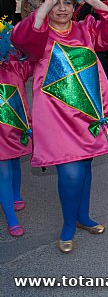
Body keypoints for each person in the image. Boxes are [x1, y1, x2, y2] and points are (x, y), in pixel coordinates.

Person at [11, 0, 108, 253]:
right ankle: (68, 225)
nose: (62, 8)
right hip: (56, 119)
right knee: (71, 173)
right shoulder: (39, 35)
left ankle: (82, 217)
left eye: (67, 1)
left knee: (85, 167)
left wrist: (95, 1)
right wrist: (44, 7)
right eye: (55, 2)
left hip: (88, 115)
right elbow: (20, 39)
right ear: (43, 4)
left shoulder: (86, 30)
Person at [0, 22, 33, 238]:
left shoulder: (15, 67)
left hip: (15, 128)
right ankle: (11, 218)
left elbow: (36, 58)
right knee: (4, 170)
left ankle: (16, 194)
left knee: (15, 160)